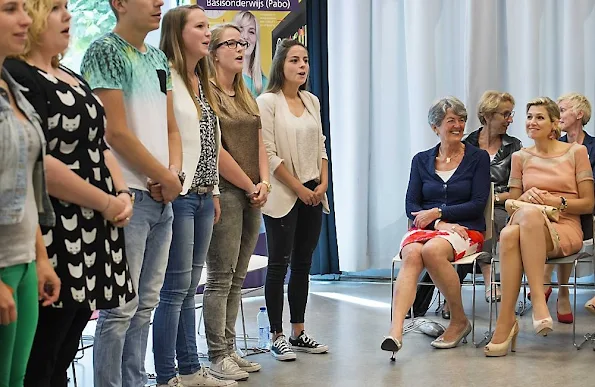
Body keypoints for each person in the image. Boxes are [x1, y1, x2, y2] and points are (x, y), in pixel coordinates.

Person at [5, 0, 137, 385]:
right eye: (56, 8)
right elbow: (39, 162)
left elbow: (99, 144)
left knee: (65, 349)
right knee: (41, 355)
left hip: (95, 228)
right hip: (58, 228)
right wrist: (108, 202)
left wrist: (121, 192)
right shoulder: (18, 75)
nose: (68, 16)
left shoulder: (69, 73)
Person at [80, 0, 183, 385]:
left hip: (162, 196)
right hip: (129, 197)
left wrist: (172, 174)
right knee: (120, 308)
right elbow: (115, 131)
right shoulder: (104, 51)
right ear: (119, 4)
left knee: (146, 305)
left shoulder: (157, 57)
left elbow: (172, 127)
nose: (158, 3)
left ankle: (135, 380)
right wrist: (162, 177)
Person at [152, 5, 235, 387]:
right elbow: (164, 136)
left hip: (204, 195)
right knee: (174, 290)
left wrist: (215, 190)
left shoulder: (201, 79)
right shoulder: (164, 76)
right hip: (179, 195)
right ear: (178, 32)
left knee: (190, 289)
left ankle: (189, 368)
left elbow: (209, 141)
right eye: (200, 26)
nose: (208, 32)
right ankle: (167, 374)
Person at [381, 97, 490, 356]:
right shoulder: (421, 160)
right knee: (412, 253)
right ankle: (395, 331)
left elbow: (477, 203)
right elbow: (411, 204)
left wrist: (439, 212)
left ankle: (459, 320)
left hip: (467, 229)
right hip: (431, 228)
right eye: (451, 120)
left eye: (461, 120)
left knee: (431, 251)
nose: (458, 125)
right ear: (435, 127)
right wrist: (440, 221)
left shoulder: (478, 158)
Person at [485, 97, 594, 357]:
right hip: (528, 221)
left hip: (564, 226)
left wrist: (556, 201)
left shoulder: (576, 152)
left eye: (540, 117)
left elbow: (589, 204)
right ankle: (527, 308)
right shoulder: (520, 157)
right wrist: (525, 199)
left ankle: (514, 318)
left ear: (555, 123)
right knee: (521, 223)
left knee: (512, 233)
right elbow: (511, 202)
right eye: (530, 117)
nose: (532, 122)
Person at [203, 23, 270, 382]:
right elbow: (216, 151)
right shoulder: (208, 93)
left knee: (239, 276)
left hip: (252, 193)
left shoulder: (244, 92)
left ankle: (230, 348)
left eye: (242, 43)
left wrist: (264, 181)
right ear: (213, 52)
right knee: (220, 277)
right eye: (231, 43)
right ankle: (217, 355)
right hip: (227, 193)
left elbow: (258, 139)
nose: (240, 48)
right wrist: (248, 185)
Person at [256, 39, 329, 361]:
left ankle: (299, 332)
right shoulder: (267, 102)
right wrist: (299, 187)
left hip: (314, 193)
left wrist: (323, 183)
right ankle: (276, 335)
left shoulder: (311, 100)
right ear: (280, 67)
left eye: (305, 59)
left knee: (303, 265)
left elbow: (322, 146)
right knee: (278, 264)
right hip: (285, 193)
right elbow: (268, 155)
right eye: (294, 60)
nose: (302, 66)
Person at [0, 2, 60, 386]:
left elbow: (26, 186)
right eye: (10, 9)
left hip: (22, 258)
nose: (26, 19)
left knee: (17, 378)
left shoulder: (11, 86)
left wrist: (40, 257)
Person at [536, 93, 594, 322]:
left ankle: (551, 284)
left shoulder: (592, 147)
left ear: (579, 114)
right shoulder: (551, 146)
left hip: (584, 211)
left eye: (563, 109)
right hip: (553, 210)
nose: (557, 115)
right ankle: (559, 290)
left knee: (563, 217)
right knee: (546, 218)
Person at [232, 11, 267, 97]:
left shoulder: (266, 83)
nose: (245, 36)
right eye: (241, 30)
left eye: (251, 32)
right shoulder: (226, 79)